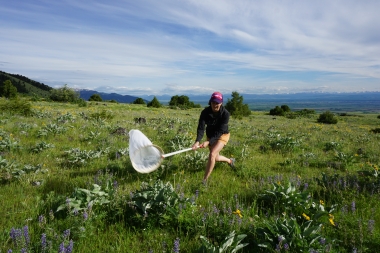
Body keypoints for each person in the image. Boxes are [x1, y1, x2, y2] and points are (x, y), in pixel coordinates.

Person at [192, 91, 235, 182]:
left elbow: (220, 131)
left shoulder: (225, 114)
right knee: (215, 157)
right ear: (210, 102)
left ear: (221, 103)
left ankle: (204, 181)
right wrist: (197, 141)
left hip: (222, 135)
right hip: (211, 135)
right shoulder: (205, 112)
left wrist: (209, 142)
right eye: (213, 102)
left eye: (217, 103)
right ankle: (230, 161)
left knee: (212, 154)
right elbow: (201, 128)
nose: (215, 105)